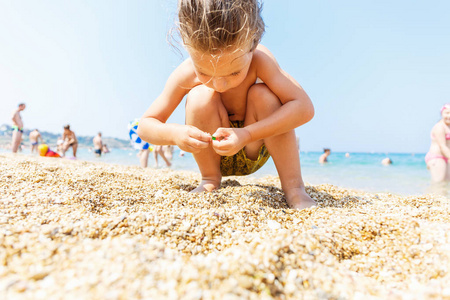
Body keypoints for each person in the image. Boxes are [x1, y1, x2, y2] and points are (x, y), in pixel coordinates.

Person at [137, 0, 316, 209]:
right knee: (200, 96)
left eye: (233, 73)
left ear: (253, 43)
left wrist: (247, 134)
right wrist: (175, 134)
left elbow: (304, 107)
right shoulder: (186, 72)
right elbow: (145, 126)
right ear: (188, 47)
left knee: (263, 96)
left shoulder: (261, 61)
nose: (219, 84)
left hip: (254, 145)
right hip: (212, 152)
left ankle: (294, 188)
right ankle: (210, 179)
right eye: (204, 72)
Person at [425, 104, 450, 182]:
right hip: (436, 157)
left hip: (447, 157)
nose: (449, 116)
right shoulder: (440, 127)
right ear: (442, 114)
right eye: (447, 113)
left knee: (446, 183)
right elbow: (442, 146)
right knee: (439, 183)